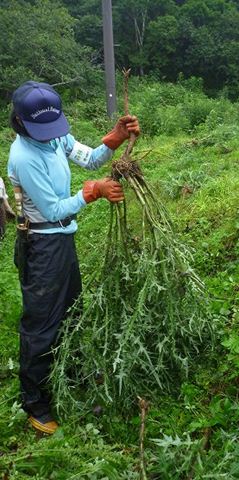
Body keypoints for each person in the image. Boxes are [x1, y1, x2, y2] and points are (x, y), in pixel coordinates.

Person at [7, 80, 140, 435]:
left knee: (71, 313)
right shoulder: (24, 156)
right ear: (20, 122)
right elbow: (51, 210)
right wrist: (92, 192)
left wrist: (113, 137)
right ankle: (36, 402)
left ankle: (69, 377)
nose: (52, 136)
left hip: (63, 241)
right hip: (41, 245)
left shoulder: (54, 138)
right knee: (41, 325)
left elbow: (90, 157)